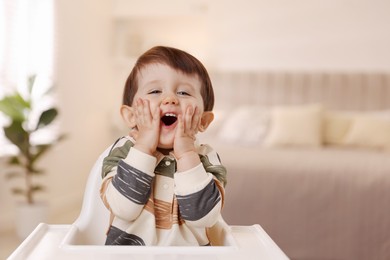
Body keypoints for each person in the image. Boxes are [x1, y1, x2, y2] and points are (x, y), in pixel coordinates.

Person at [100, 46, 227, 246]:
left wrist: (186, 153)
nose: (170, 99)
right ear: (132, 116)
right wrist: (144, 146)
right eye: (155, 91)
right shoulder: (124, 150)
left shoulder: (205, 157)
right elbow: (123, 208)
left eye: (184, 92)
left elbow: (202, 217)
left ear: (203, 120)